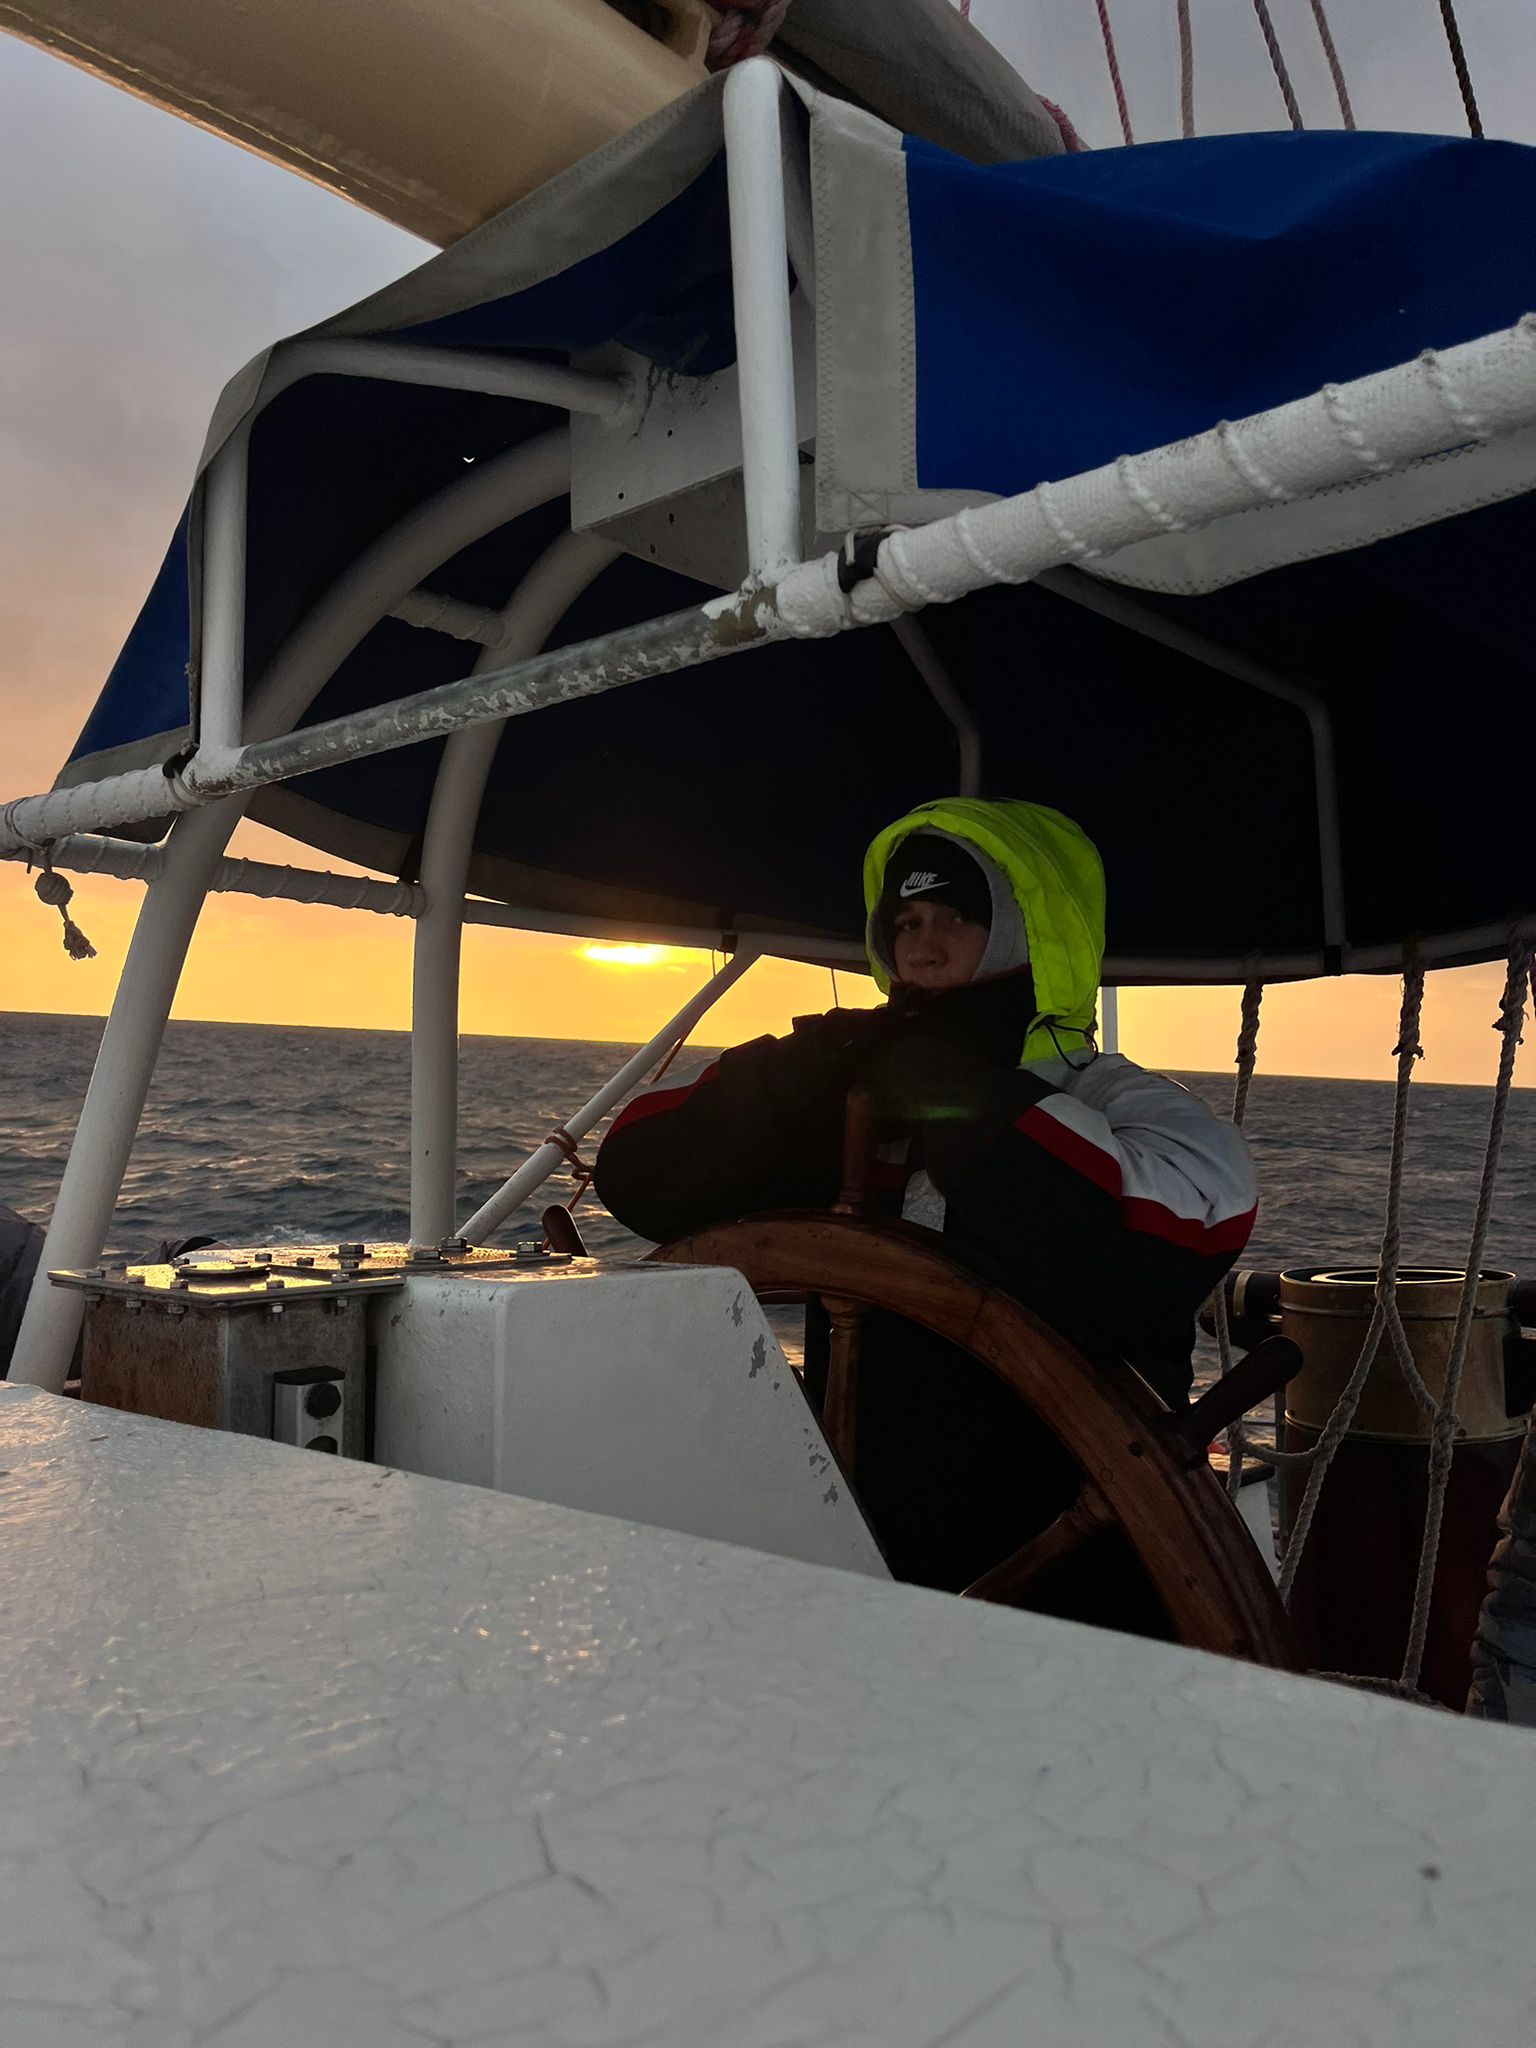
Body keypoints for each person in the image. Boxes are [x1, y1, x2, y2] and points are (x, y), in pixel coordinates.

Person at [595, 798, 1257, 1605]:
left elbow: (1173, 1243)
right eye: (905, 922)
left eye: (956, 917)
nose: (924, 947)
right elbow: (638, 1176)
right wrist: (780, 1080)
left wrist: (967, 1102)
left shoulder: (1120, 1104)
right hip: (860, 1557)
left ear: (1028, 934)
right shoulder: (854, 1094)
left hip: (1071, 1575)